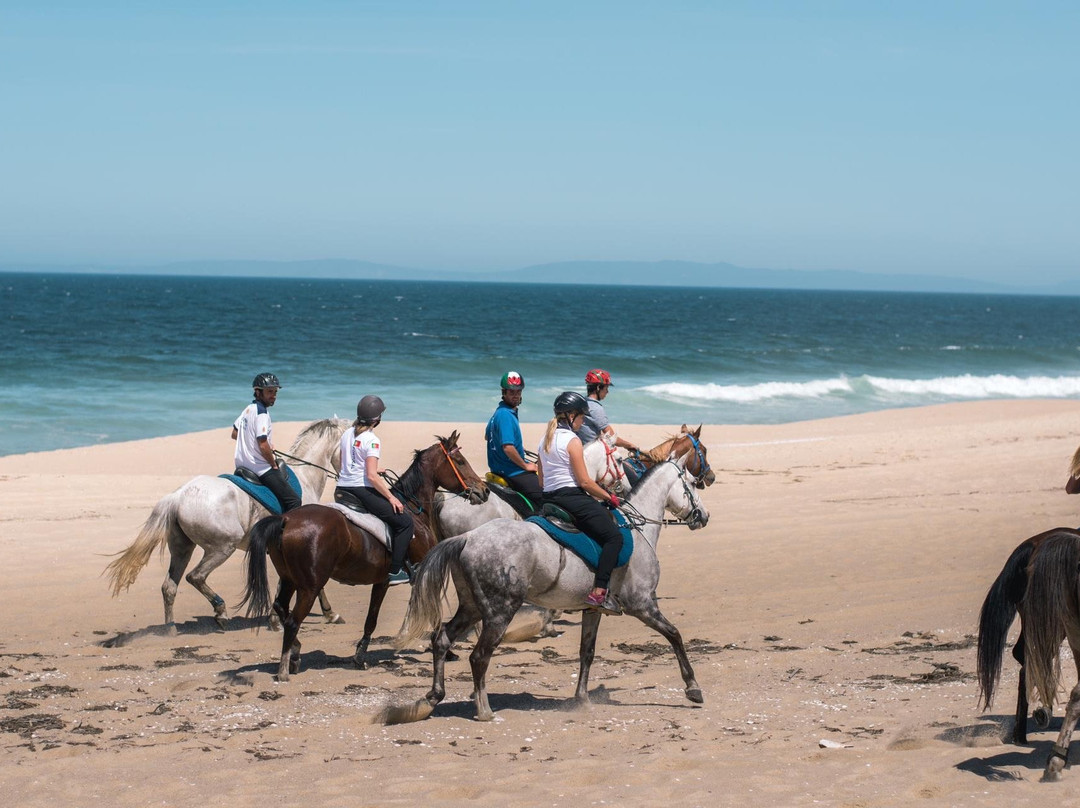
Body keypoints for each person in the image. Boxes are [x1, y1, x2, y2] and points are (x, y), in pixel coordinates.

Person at [537, 391, 624, 614]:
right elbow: (585, 482)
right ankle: (599, 592)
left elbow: (541, 479)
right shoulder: (572, 441)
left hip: (548, 498)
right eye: (581, 417)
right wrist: (608, 496)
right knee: (614, 537)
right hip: (571, 498)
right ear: (570, 416)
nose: (583, 421)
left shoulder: (544, 440)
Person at [335, 395, 415, 585]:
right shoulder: (372, 440)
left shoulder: (347, 433)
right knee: (405, 523)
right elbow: (371, 477)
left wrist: (369, 468)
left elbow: (345, 461)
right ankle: (396, 572)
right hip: (361, 491)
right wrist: (391, 498)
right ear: (377, 419)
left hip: (341, 488)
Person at [232, 372, 302, 512]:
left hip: (241, 464)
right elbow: (263, 445)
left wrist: (253, 441)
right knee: (294, 501)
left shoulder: (247, 409)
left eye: (275, 392)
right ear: (258, 392)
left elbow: (235, 433)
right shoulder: (262, 413)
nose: (273, 396)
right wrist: (272, 464)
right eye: (269, 392)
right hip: (259, 467)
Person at [485, 370, 543, 502]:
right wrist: (525, 465)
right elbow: (508, 448)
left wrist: (518, 447)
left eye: (518, 391)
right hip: (513, 472)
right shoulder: (506, 415)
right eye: (511, 392)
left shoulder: (498, 413)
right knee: (548, 495)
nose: (516, 395)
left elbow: (487, 436)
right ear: (503, 392)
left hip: (498, 469)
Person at [577, 368, 643, 484]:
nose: (607, 392)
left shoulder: (581, 403)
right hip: (593, 456)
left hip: (580, 451)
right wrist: (629, 445)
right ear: (598, 388)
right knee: (634, 480)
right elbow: (612, 437)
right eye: (606, 388)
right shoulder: (595, 407)